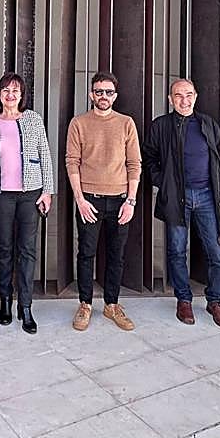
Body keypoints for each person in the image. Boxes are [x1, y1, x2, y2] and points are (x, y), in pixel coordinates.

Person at [142, 78, 220, 329]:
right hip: (177, 197)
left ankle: (215, 300)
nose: (184, 100)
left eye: (188, 95)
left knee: (217, 252)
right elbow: (148, 158)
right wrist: (163, 182)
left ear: (195, 96)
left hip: (208, 197)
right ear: (170, 99)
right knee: (176, 251)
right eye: (178, 95)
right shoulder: (161, 125)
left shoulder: (208, 123)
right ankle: (183, 299)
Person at [0, 72, 54, 334]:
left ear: (22, 95)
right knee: (4, 248)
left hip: (30, 193)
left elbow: (45, 153)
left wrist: (48, 191)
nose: (10, 95)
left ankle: (26, 306)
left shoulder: (33, 119)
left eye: (15, 91)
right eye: (6, 90)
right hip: (0, 194)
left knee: (27, 249)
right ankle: (6, 301)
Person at [66, 72, 142, 332]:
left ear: (115, 96)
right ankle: (85, 304)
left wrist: (131, 201)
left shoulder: (126, 123)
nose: (103, 96)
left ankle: (112, 304)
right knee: (86, 253)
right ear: (91, 94)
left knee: (116, 255)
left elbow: (134, 164)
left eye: (108, 92)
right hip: (89, 200)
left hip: (120, 201)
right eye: (99, 91)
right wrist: (80, 200)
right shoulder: (79, 123)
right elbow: (72, 162)